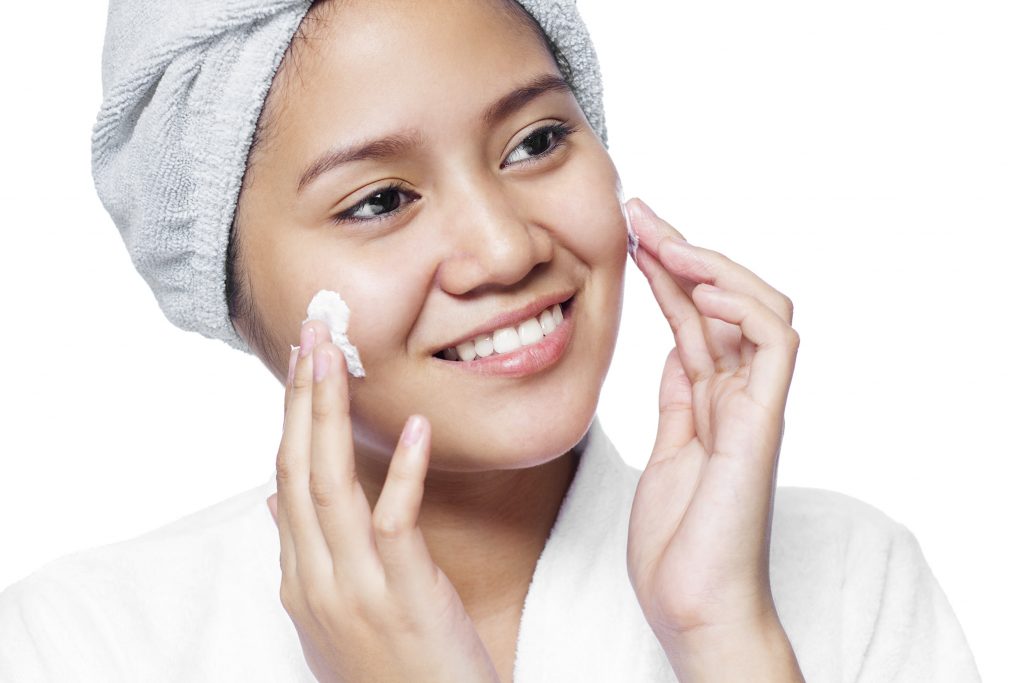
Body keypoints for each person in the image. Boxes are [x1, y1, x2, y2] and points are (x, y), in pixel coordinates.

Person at [0, 0, 982, 681]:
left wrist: (725, 636)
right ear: (225, 283)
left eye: (536, 141)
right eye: (379, 200)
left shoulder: (846, 577)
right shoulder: (87, 643)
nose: (507, 247)